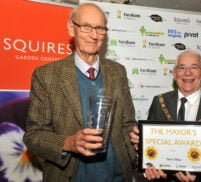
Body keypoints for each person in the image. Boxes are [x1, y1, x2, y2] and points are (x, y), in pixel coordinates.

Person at [23, 3, 136, 182]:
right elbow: (33, 135)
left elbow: (127, 124)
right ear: (71, 28)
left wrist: (140, 152)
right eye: (86, 27)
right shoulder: (46, 75)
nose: (94, 35)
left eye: (100, 28)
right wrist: (69, 143)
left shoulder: (118, 72)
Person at [130, 50, 201, 182]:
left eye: (194, 67)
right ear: (175, 74)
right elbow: (153, 151)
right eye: (182, 67)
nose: (187, 73)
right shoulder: (159, 102)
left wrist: (198, 170)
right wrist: (142, 148)